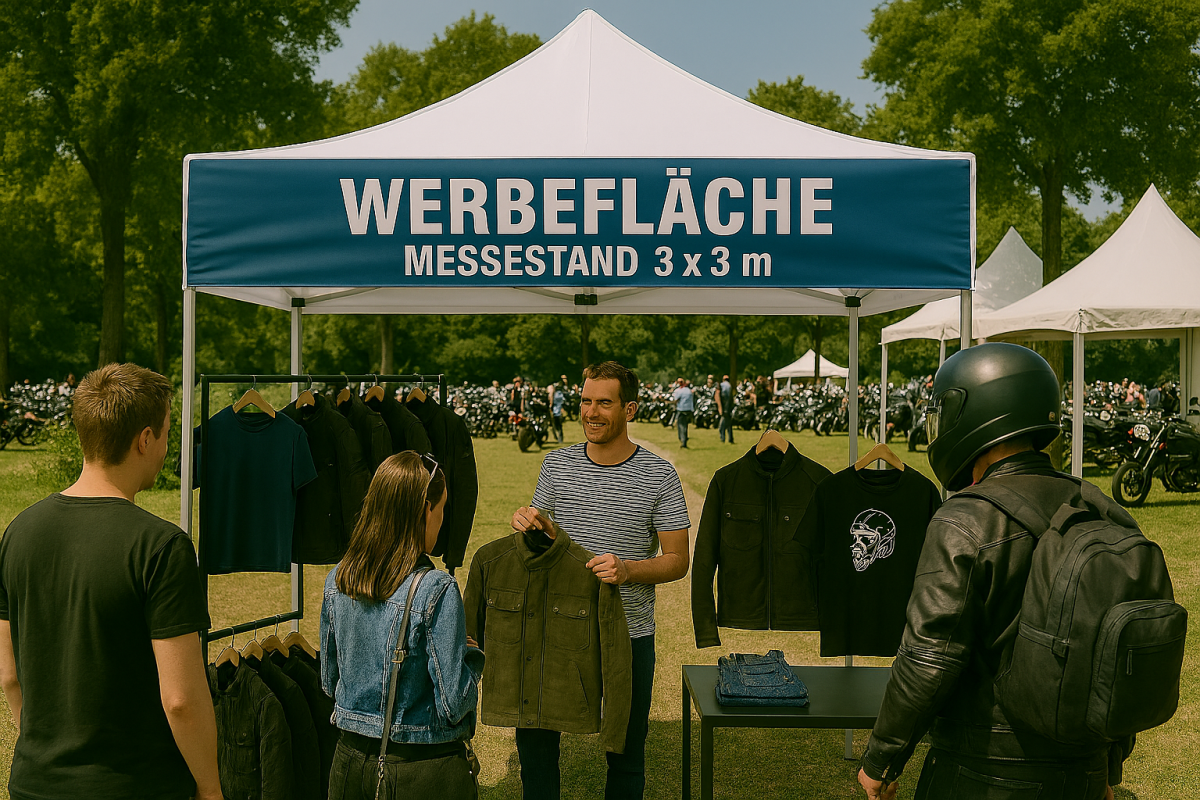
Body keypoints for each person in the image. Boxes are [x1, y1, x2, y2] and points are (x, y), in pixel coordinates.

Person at [857, 343, 1131, 800]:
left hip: (983, 769)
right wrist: (1107, 764)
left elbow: (930, 657)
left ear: (973, 410)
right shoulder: (1099, 506)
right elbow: (1117, 653)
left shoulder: (965, 518)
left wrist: (881, 760)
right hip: (1084, 766)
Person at [0, 363, 219, 800]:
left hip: (33, 783)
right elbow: (181, 700)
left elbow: (9, 677)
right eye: (167, 433)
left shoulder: (17, 532)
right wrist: (211, 790)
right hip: (135, 785)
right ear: (145, 439)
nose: (167, 447)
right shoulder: (162, 546)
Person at [510, 361, 690, 800]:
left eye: (604, 403)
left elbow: (677, 561)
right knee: (536, 741)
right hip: (558, 626)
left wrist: (628, 569)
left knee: (626, 750)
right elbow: (544, 536)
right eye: (586, 401)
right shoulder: (556, 464)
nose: (591, 412)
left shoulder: (659, 474)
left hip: (628, 634)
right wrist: (530, 523)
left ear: (629, 409)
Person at [321, 451, 483, 799]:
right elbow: (454, 704)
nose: (442, 520)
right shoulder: (436, 588)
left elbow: (329, 681)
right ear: (425, 509)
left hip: (348, 763)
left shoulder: (338, 579)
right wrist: (470, 657)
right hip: (423, 768)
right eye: (441, 509)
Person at [672, 377, 695, 448]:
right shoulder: (689, 390)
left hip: (681, 410)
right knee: (685, 426)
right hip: (689, 410)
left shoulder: (679, 391)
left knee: (681, 426)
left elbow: (676, 400)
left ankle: (683, 440)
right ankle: (684, 439)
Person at [716, 374, 735, 444]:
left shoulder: (721, 385)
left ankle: (722, 438)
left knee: (721, 426)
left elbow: (720, 396)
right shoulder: (730, 386)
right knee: (729, 425)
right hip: (729, 408)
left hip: (724, 408)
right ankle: (730, 439)